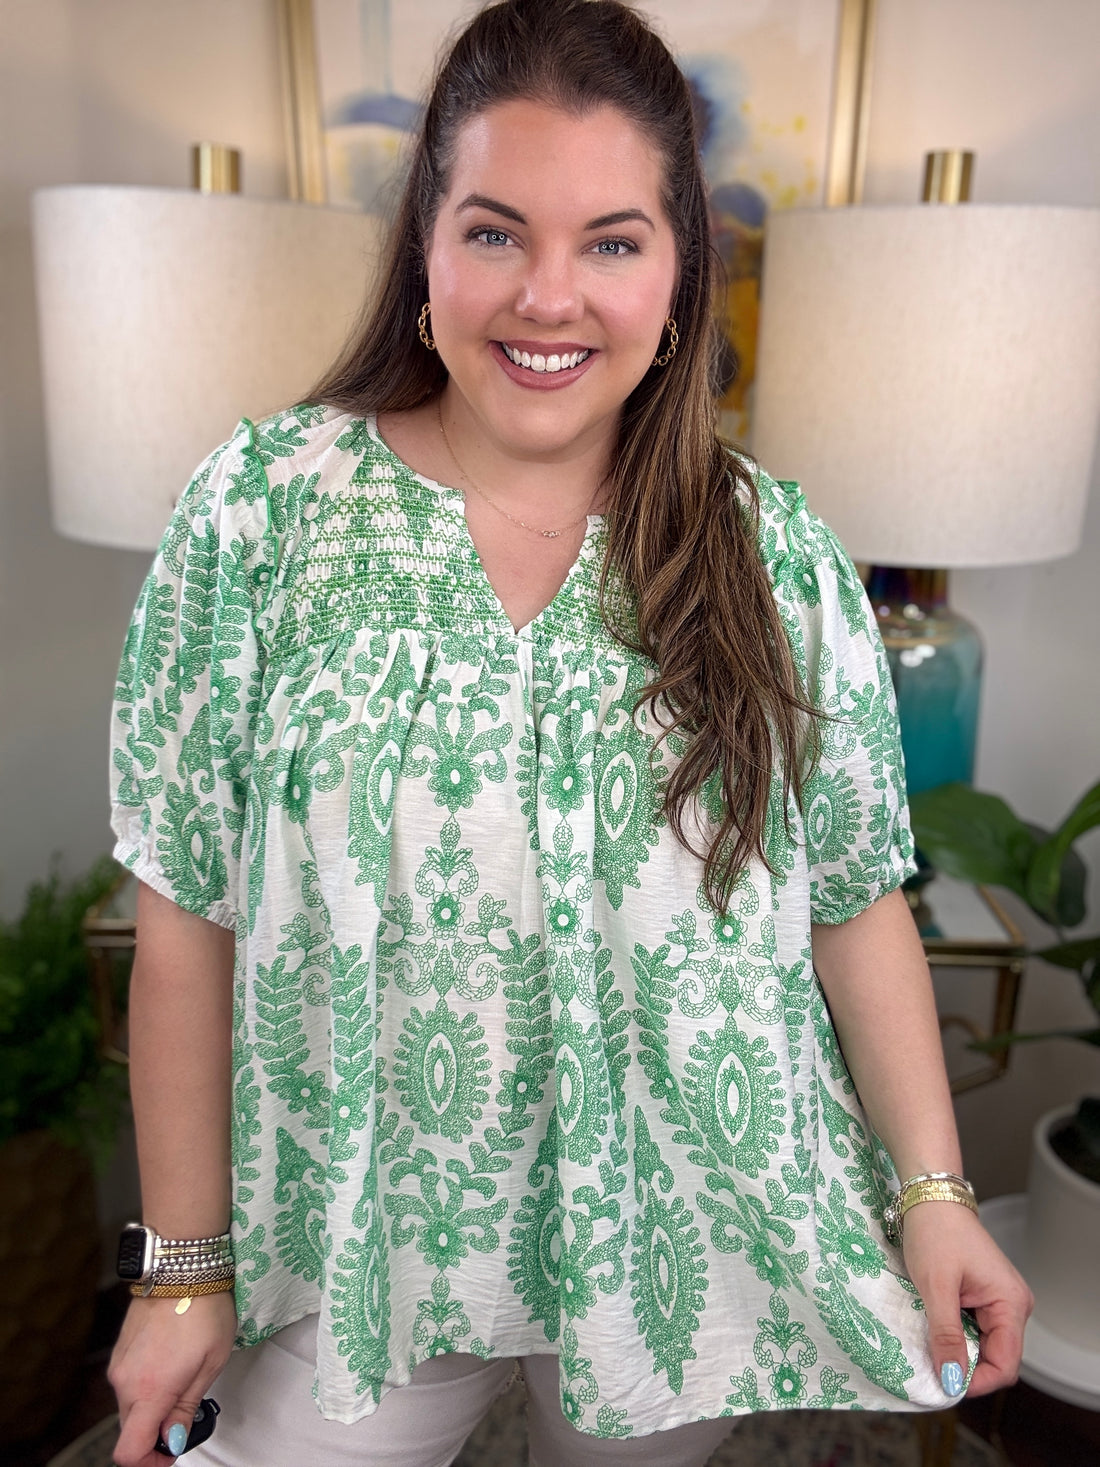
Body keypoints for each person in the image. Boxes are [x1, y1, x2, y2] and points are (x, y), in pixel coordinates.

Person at [106, 2, 1032, 1464]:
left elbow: (855, 905)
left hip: (675, 1264)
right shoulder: (263, 510)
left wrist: (936, 1197)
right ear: (425, 246)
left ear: (675, 276)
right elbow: (183, 920)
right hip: (359, 1265)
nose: (549, 296)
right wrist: (182, 1271)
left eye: (610, 241)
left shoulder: (773, 557)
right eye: (494, 232)